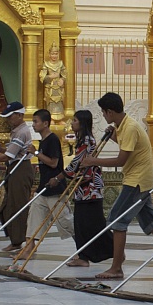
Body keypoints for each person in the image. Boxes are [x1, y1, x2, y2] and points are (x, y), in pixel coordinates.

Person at [79, 92, 153, 280]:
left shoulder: (129, 127)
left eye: (104, 113)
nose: (104, 117)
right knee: (152, 222)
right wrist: (113, 135)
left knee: (117, 221)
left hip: (137, 181)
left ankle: (116, 267)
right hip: (140, 179)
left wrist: (93, 161)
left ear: (110, 112)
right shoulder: (123, 126)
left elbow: (122, 159)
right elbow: (127, 147)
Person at [53, 110, 113, 267]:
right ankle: (84, 256)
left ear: (82, 123)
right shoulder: (83, 140)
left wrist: (60, 177)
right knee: (84, 223)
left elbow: (77, 164)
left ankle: (110, 250)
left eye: (75, 120)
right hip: (84, 188)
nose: (72, 123)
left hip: (90, 188)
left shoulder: (86, 140)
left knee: (90, 223)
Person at [0, 101, 35, 252]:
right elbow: (13, 152)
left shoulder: (21, 131)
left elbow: (10, 156)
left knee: (17, 206)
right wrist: (1, 149)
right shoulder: (17, 131)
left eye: (10, 117)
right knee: (8, 206)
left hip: (21, 169)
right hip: (14, 168)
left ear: (19, 115)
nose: (8, 120)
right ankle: (15, 238)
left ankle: (19, 241)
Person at [23, 109, 74, 255]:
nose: (33, 125)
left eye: (36, 122)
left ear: (45, 123)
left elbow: (53, 163)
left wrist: (36, 153)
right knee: (34, 216)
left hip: (55, 188)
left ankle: (83, 247)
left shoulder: (52, 140)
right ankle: (29, 248)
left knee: (65, 221)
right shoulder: (43, 141)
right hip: (43, 188)